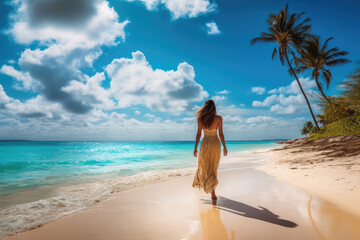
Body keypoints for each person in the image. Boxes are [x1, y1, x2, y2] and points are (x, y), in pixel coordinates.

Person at [192, 99, 227, 200]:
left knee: (205, 166)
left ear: (205, 107)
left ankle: (210, 189)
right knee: (213, 167)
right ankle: (212, 193)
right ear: (214, 108)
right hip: (215, 143)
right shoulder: (219, 118)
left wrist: (195, 147)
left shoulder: (200, 119)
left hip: (205, 143)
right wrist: (224, 146)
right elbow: (220, 134)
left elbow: (199, 134)